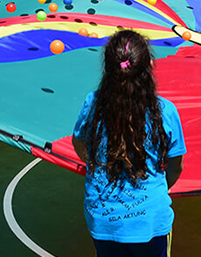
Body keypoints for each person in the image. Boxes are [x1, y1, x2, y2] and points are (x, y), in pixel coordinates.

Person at [72, 30, 186, 257]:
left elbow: (79, 142)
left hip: (104, 220)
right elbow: (175, 166)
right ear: (149, 66)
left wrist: (95, 164)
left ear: (108, 70)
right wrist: (162, 188)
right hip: (150, 219)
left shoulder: (93, 104)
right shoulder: (164, 111)